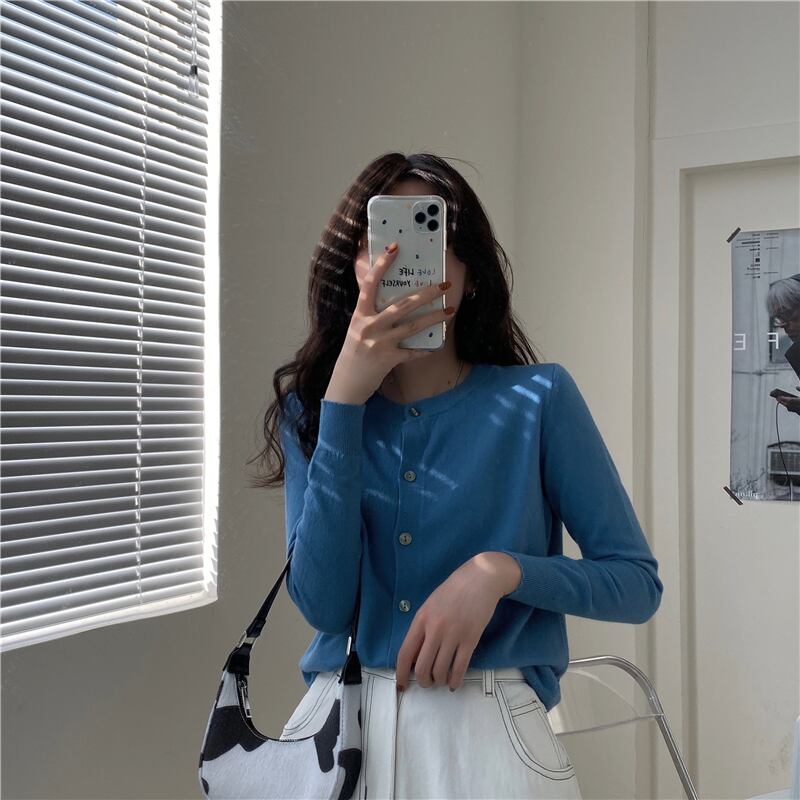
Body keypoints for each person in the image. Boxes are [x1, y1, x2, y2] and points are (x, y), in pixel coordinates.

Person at [248, 152, 664, 799]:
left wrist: (499, 572)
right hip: (338, 734)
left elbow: (636, 586)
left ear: (469, 275)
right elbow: (324, 606)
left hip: (490, 733)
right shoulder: (316, 409)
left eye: (426, 238)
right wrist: (344, 403)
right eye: (378, 240)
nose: (400, 262)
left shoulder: (538, 400)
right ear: (352, 268)